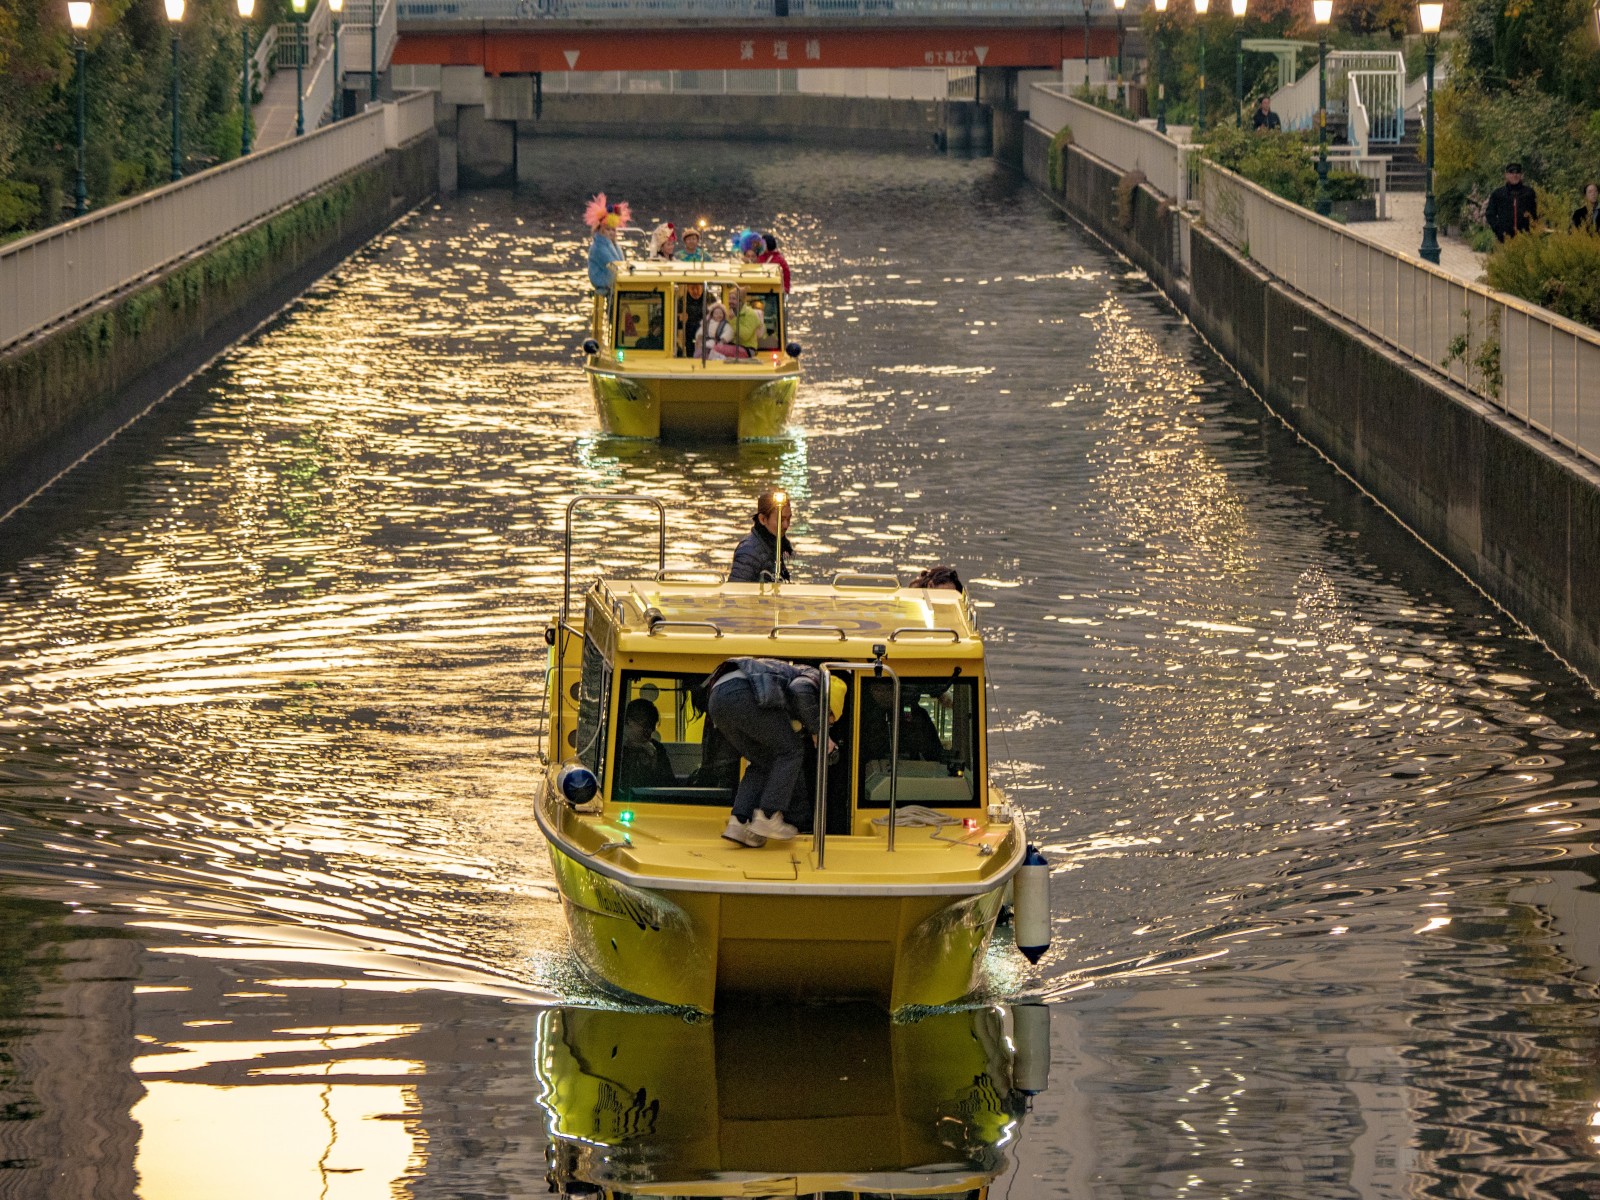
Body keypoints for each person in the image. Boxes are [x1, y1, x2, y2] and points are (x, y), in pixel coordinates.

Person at [705, 657, 842, 845]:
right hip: (741, 693)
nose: (827, 724)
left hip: (718, 700)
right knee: (792, 751)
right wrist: (819, 733)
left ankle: (739, 822)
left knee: (764, 760)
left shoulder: (790, 677)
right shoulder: (816, 677)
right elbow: (799, 690)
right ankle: (769, 816)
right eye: (829, 719)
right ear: (825, 705)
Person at [858, 677, 944, 768]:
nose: (883, 694)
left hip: (910, 771)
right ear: (870, 691)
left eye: (889, 689)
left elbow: (933, 753)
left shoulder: (917, 716)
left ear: (898, 689)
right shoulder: (860, 715)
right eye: (878, 689)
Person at [729, 488, 794, 583]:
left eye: (788, 519)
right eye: (781, 520)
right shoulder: (749, 552)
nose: (786, 525)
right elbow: (735, 591)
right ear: (763, 519)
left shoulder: (772, 545)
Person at [616, 698, 677, 795]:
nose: (649, 732)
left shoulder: (657, 749)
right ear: (630, 722)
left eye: (652, 727)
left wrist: (654, 763)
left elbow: (669, 786)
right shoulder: (616, 748)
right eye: (645, 726)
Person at [584, 192, 630, 296]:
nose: (611, 232)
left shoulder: (612, 244)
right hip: (603, 283)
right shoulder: (598, 247)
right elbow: (614, 264)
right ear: (600, 229)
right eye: (608, 229)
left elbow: (620, 263)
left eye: (613, 230)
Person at [1486, 162, 1537, 243]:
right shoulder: (1498, 194)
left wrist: (1533, 230)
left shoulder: (1529, 193)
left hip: (1526, 239)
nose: (1514, 175)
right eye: (1511, 173)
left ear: (1521, 175)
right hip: (1504, 240)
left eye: (1517, 172)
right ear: (1506, 175)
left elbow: (1536, 213)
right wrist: (1498, 230)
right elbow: (1490, 214)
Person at [727, 286, 764, 355]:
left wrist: (733, 319)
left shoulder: (750, 314)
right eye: (729, 298)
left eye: (733, 299)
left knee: (717, 349)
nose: (730, 301)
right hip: (734, 346)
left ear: (740, 301)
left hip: (747, 348)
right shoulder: (731, 313)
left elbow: (745, 335)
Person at [677, 281, 707, 355]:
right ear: (687, 288)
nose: (695, 291)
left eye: (698, 288)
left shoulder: (709, 299)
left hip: (706, 335)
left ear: (702, 288)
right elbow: (675, 325)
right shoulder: (682, 302)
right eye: (692, 288)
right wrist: (679, 318)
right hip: (689, 336)